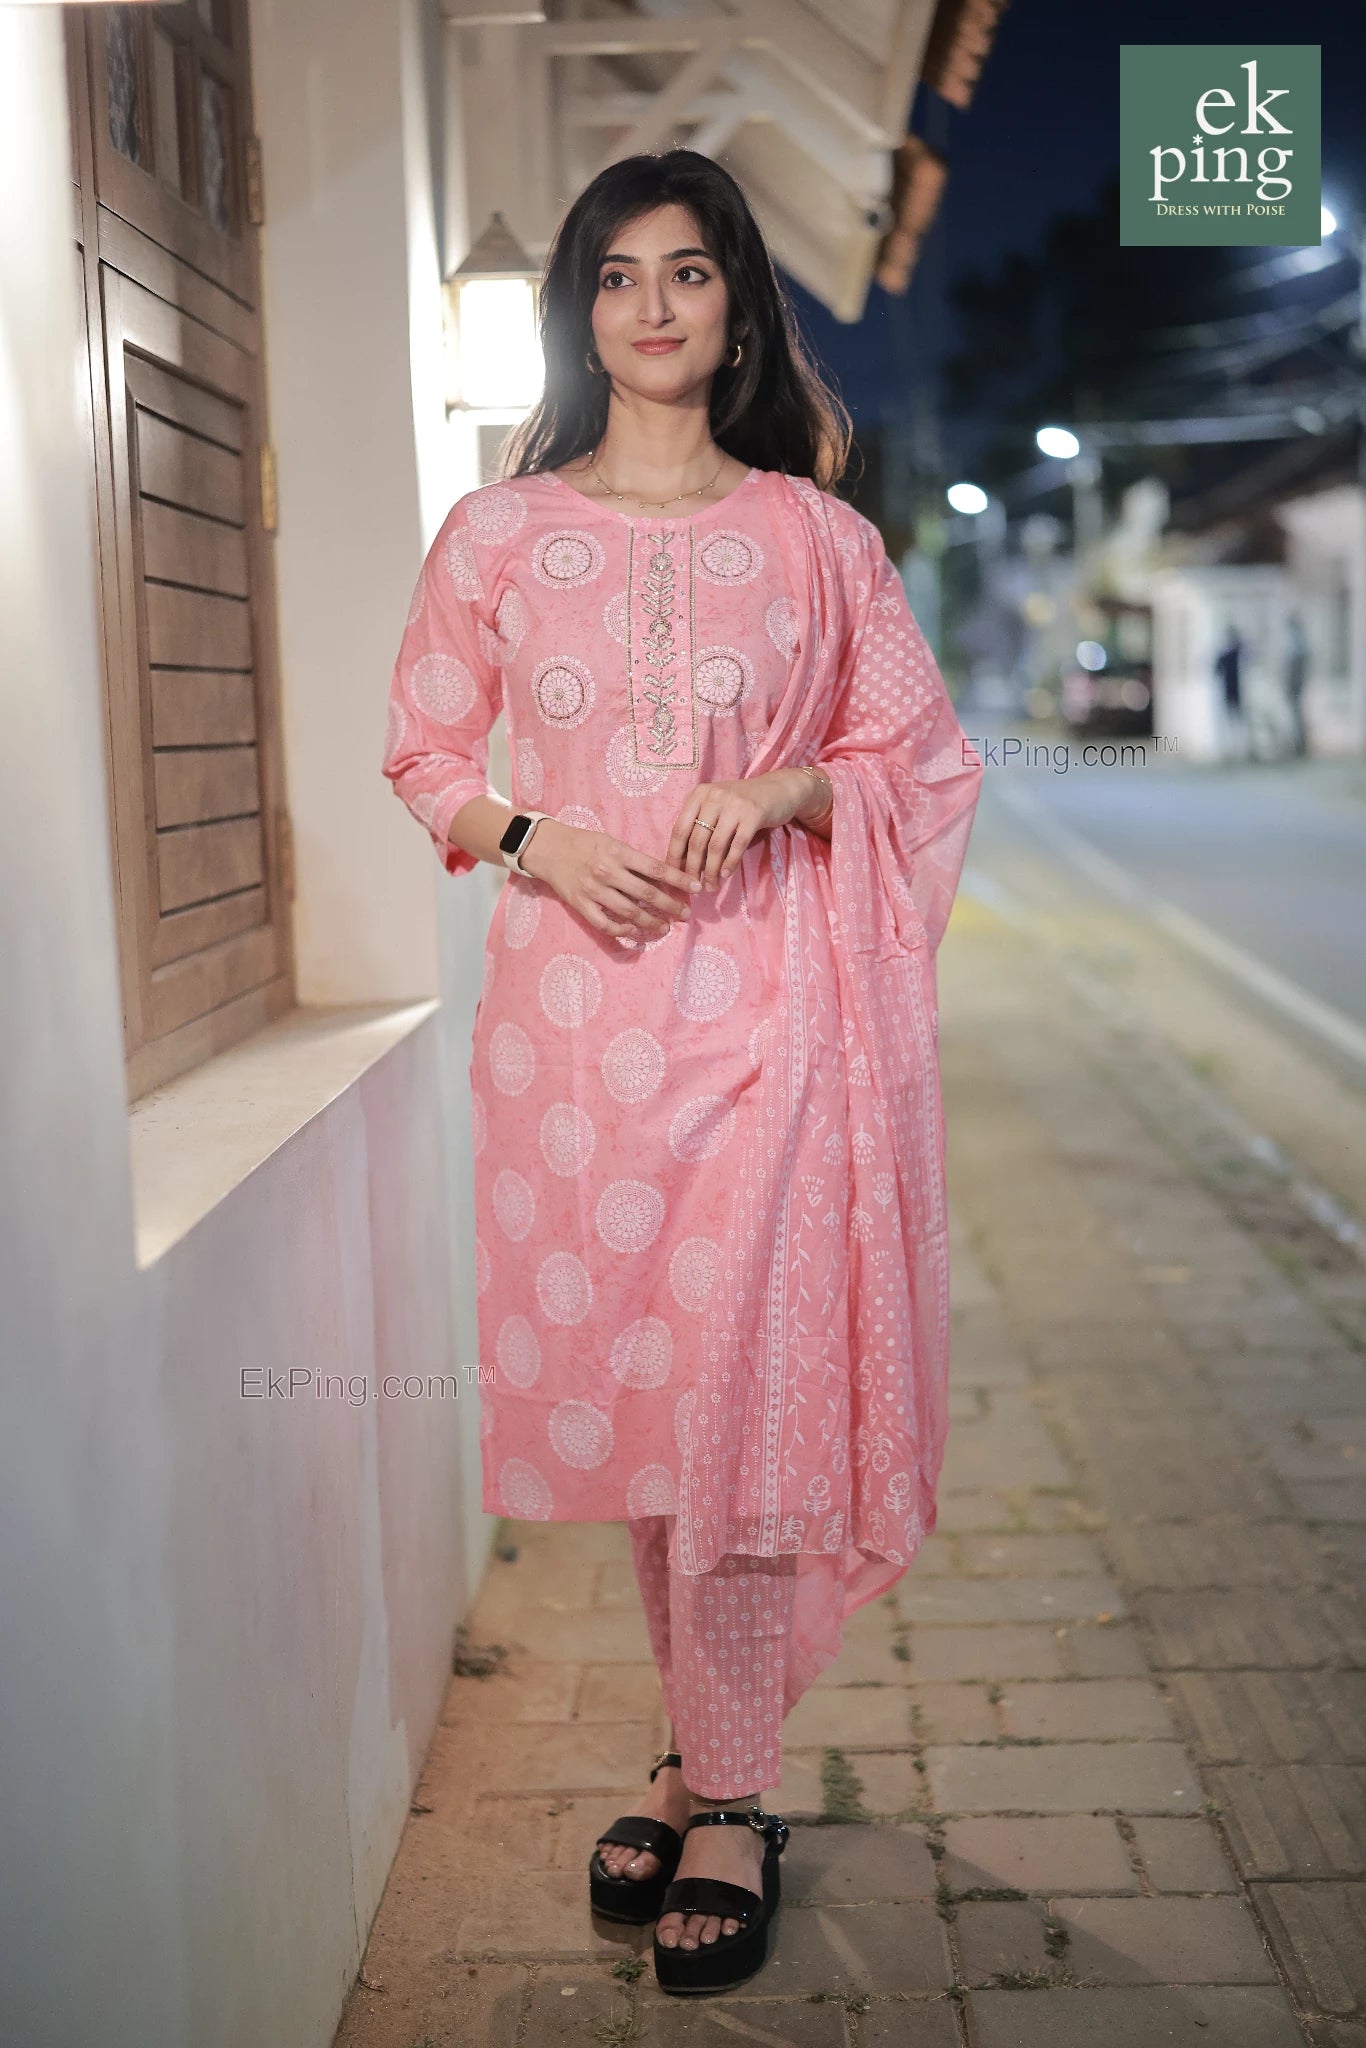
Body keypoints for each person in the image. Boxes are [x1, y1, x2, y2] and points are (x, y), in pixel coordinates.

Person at [381, 149, 983, 1995]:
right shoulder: (496, 535)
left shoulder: (820, 540)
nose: (653, 305)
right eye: (619, 274)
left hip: (775, 1018)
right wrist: (534, 835)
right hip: (576, 1039)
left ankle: (730, 1791)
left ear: (737, 310)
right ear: (583, 308)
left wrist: (796, 783)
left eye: (690, 272)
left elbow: (924, 757)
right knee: (663, 1408)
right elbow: (419, 755)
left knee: (742, 1397)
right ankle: (694, 1748)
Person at [1214, 623, 1246, 762]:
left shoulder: (1236, 654)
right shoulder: (1228, 655)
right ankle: (1230, 748)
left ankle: (1238, 748)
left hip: (1238, 692)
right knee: (1230, 721)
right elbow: (1216, 670)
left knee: (1237, 721)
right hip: (1230, 691)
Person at [1284, 610, 1310, 758]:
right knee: (1295, 716)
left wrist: (1293, 684)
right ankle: (1298, 743)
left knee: (1297, 716)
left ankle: (1299, 745)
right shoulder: (1297, 641)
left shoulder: (1297, 642)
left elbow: (1295, 667)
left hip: (1296, 686)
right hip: (1296, 685)